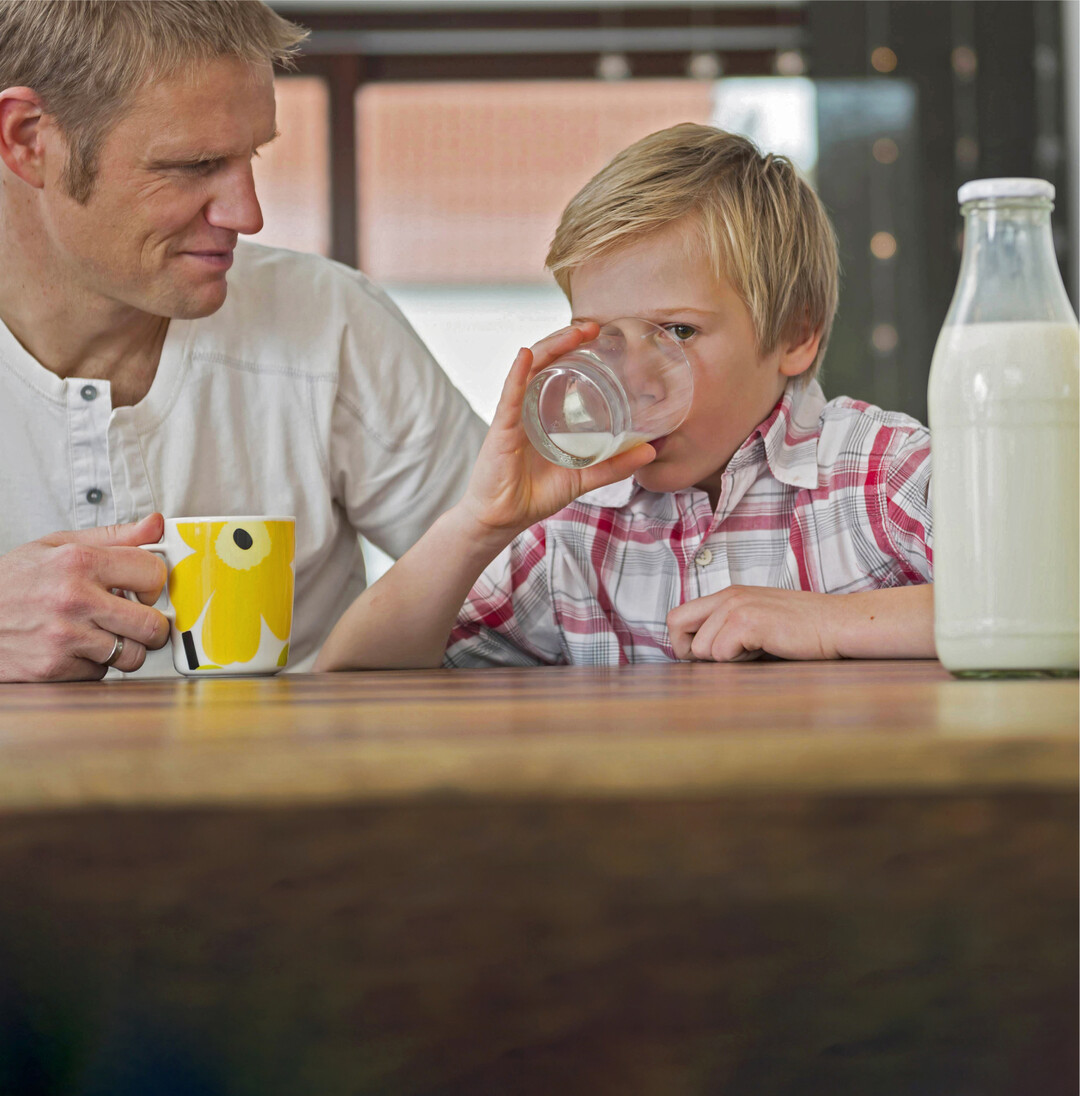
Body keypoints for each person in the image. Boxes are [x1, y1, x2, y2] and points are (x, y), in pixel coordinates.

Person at [315, 124, 934, 670]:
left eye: (677, 332)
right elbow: (355, 671)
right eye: (606, 342)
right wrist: (479, 525)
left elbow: (1031, 591)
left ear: (796, 334)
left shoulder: (877, 470)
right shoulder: (577, 525)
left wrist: (824, 622)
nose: (634, 379)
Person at [0, 0, 486, 682]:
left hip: (307, 785)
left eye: (249, 155)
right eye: (192, 164)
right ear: (27, 138)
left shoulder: (328, 320)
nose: (248, 214)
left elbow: (538, 586)